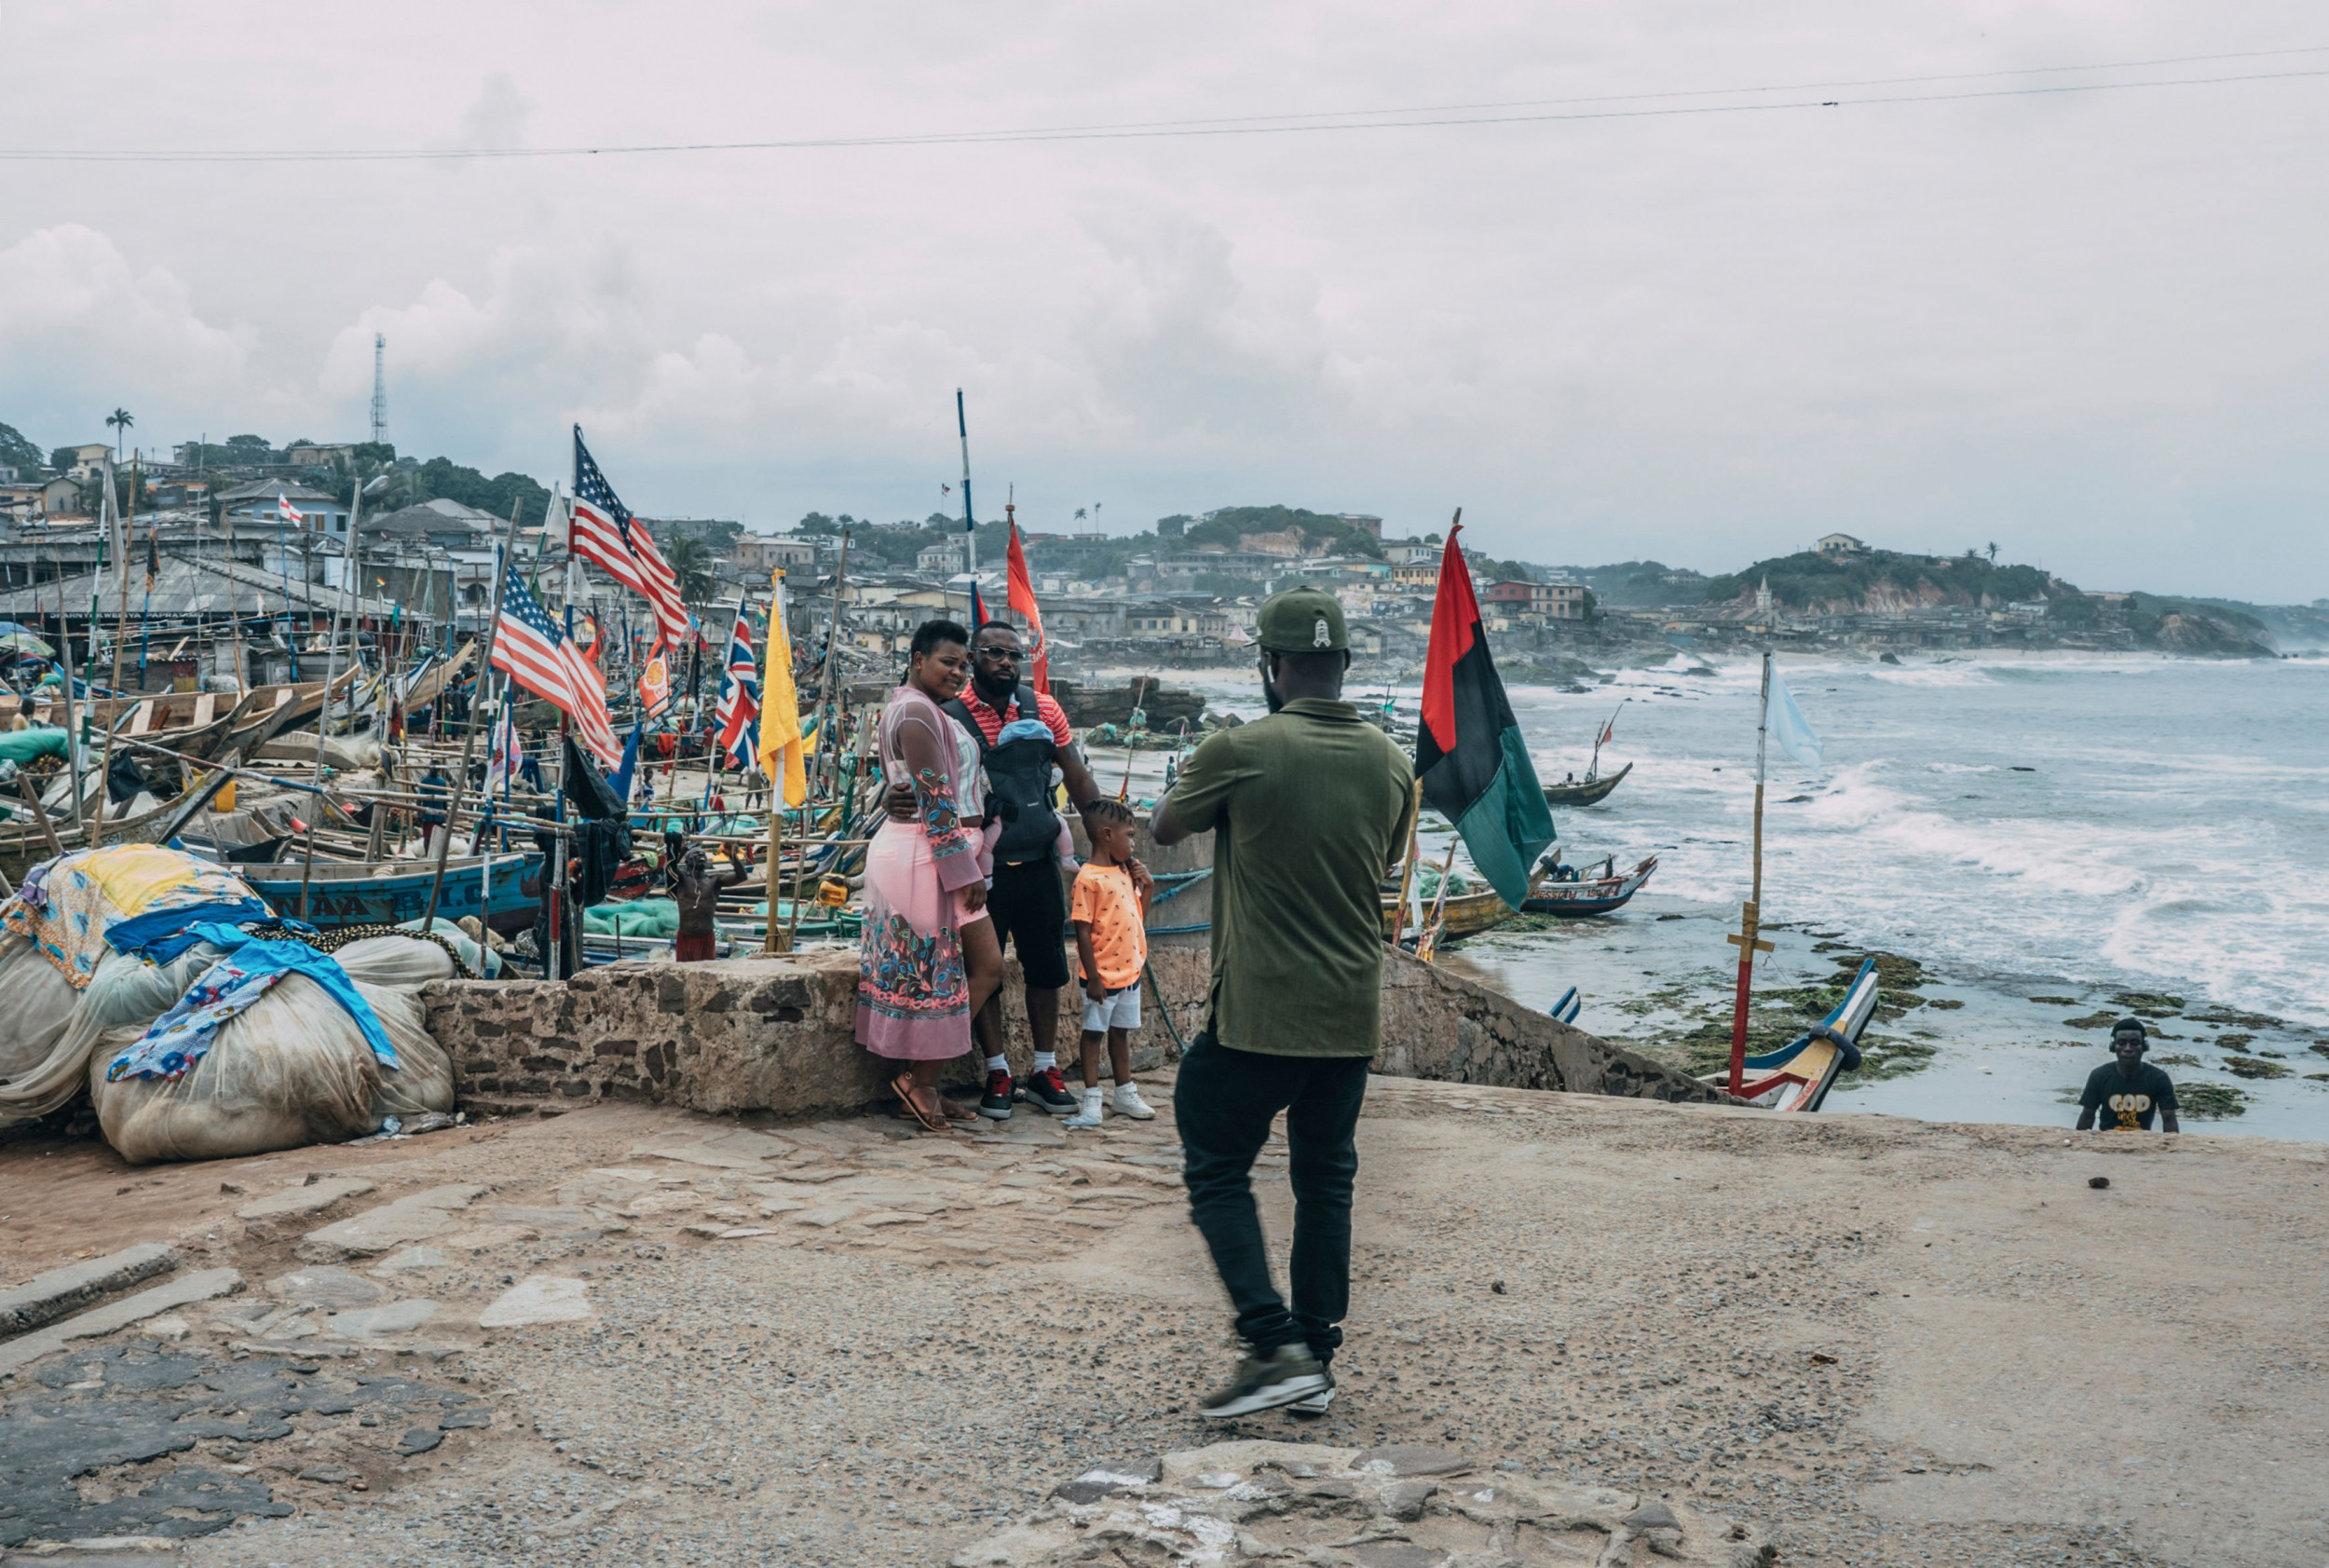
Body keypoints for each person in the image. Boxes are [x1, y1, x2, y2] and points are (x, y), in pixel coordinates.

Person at [1151, 586, 1415, 1420]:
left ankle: (1270, 1344)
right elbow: (1385, 854)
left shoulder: (1242, 746)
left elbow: (1164, 826)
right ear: (1343, 665)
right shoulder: (1392, 761)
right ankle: (1317, 1359)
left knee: (1216, 1164)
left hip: (1261, 1011)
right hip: (1348, 1014)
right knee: (1325, 1180)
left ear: (1270, 667)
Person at [884, 620, 1109, 1120]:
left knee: (1047, 967)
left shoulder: (1044, 709)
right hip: (980, 868)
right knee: (982, 971)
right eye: (991, 653)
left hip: (1038, 858)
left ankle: (1045, 1069)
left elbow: (1077, 777)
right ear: (972, 661)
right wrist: (892, 799)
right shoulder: (947, 713)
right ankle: (997, 1070)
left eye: (1014, 654)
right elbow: (917, 781)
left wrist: (1110, 848)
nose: (1006, 662)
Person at [854, 620, 1007, 1133]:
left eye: (964, 664)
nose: (959, 672)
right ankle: (919, 1083)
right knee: (962, 971)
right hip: (929, 854)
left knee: (937, 977)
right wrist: (964, 872)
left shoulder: (913, 708)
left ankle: (920, 1083)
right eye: (948, 662)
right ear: (918, 659)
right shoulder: (917, 712)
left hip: (925, 849)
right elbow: (935, 799)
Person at [1064, 798, 1156, 1129]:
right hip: (1102, 975)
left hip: (1130, 972)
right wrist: (1094, 978)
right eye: (1129, 835)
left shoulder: (1123, 872)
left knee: (1121, 1034)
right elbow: (1083, 932)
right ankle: (1091, 1101)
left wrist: (1147, 886)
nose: (1133, 843)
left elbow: (1138, 915)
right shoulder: (1089, 880)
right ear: (1106, 835)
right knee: (1093, 1034)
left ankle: (1124, 1092)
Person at [2077, 1018, 2180, 1134]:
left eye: (2135, 1043)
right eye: (2121, 1043)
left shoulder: (2159, 1078)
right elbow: (2087, 1116)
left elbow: (2169, 1119)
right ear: (2113, 1046)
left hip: (2143, 1140)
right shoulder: (2099, 1076)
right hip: (2107, 1140)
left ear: (2144, 1047)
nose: (2128, 1048)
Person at [665, 831, 747, 963]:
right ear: (687, 861)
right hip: (685, 937)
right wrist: (681, 850)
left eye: (702, 854)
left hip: (706, 938)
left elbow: (741, 876)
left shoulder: (714, 881)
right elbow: (670, 868)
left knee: (705, 972)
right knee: (683, 971)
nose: (700, 855)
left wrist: (732, 855)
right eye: (696, 854)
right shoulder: (682, 880)